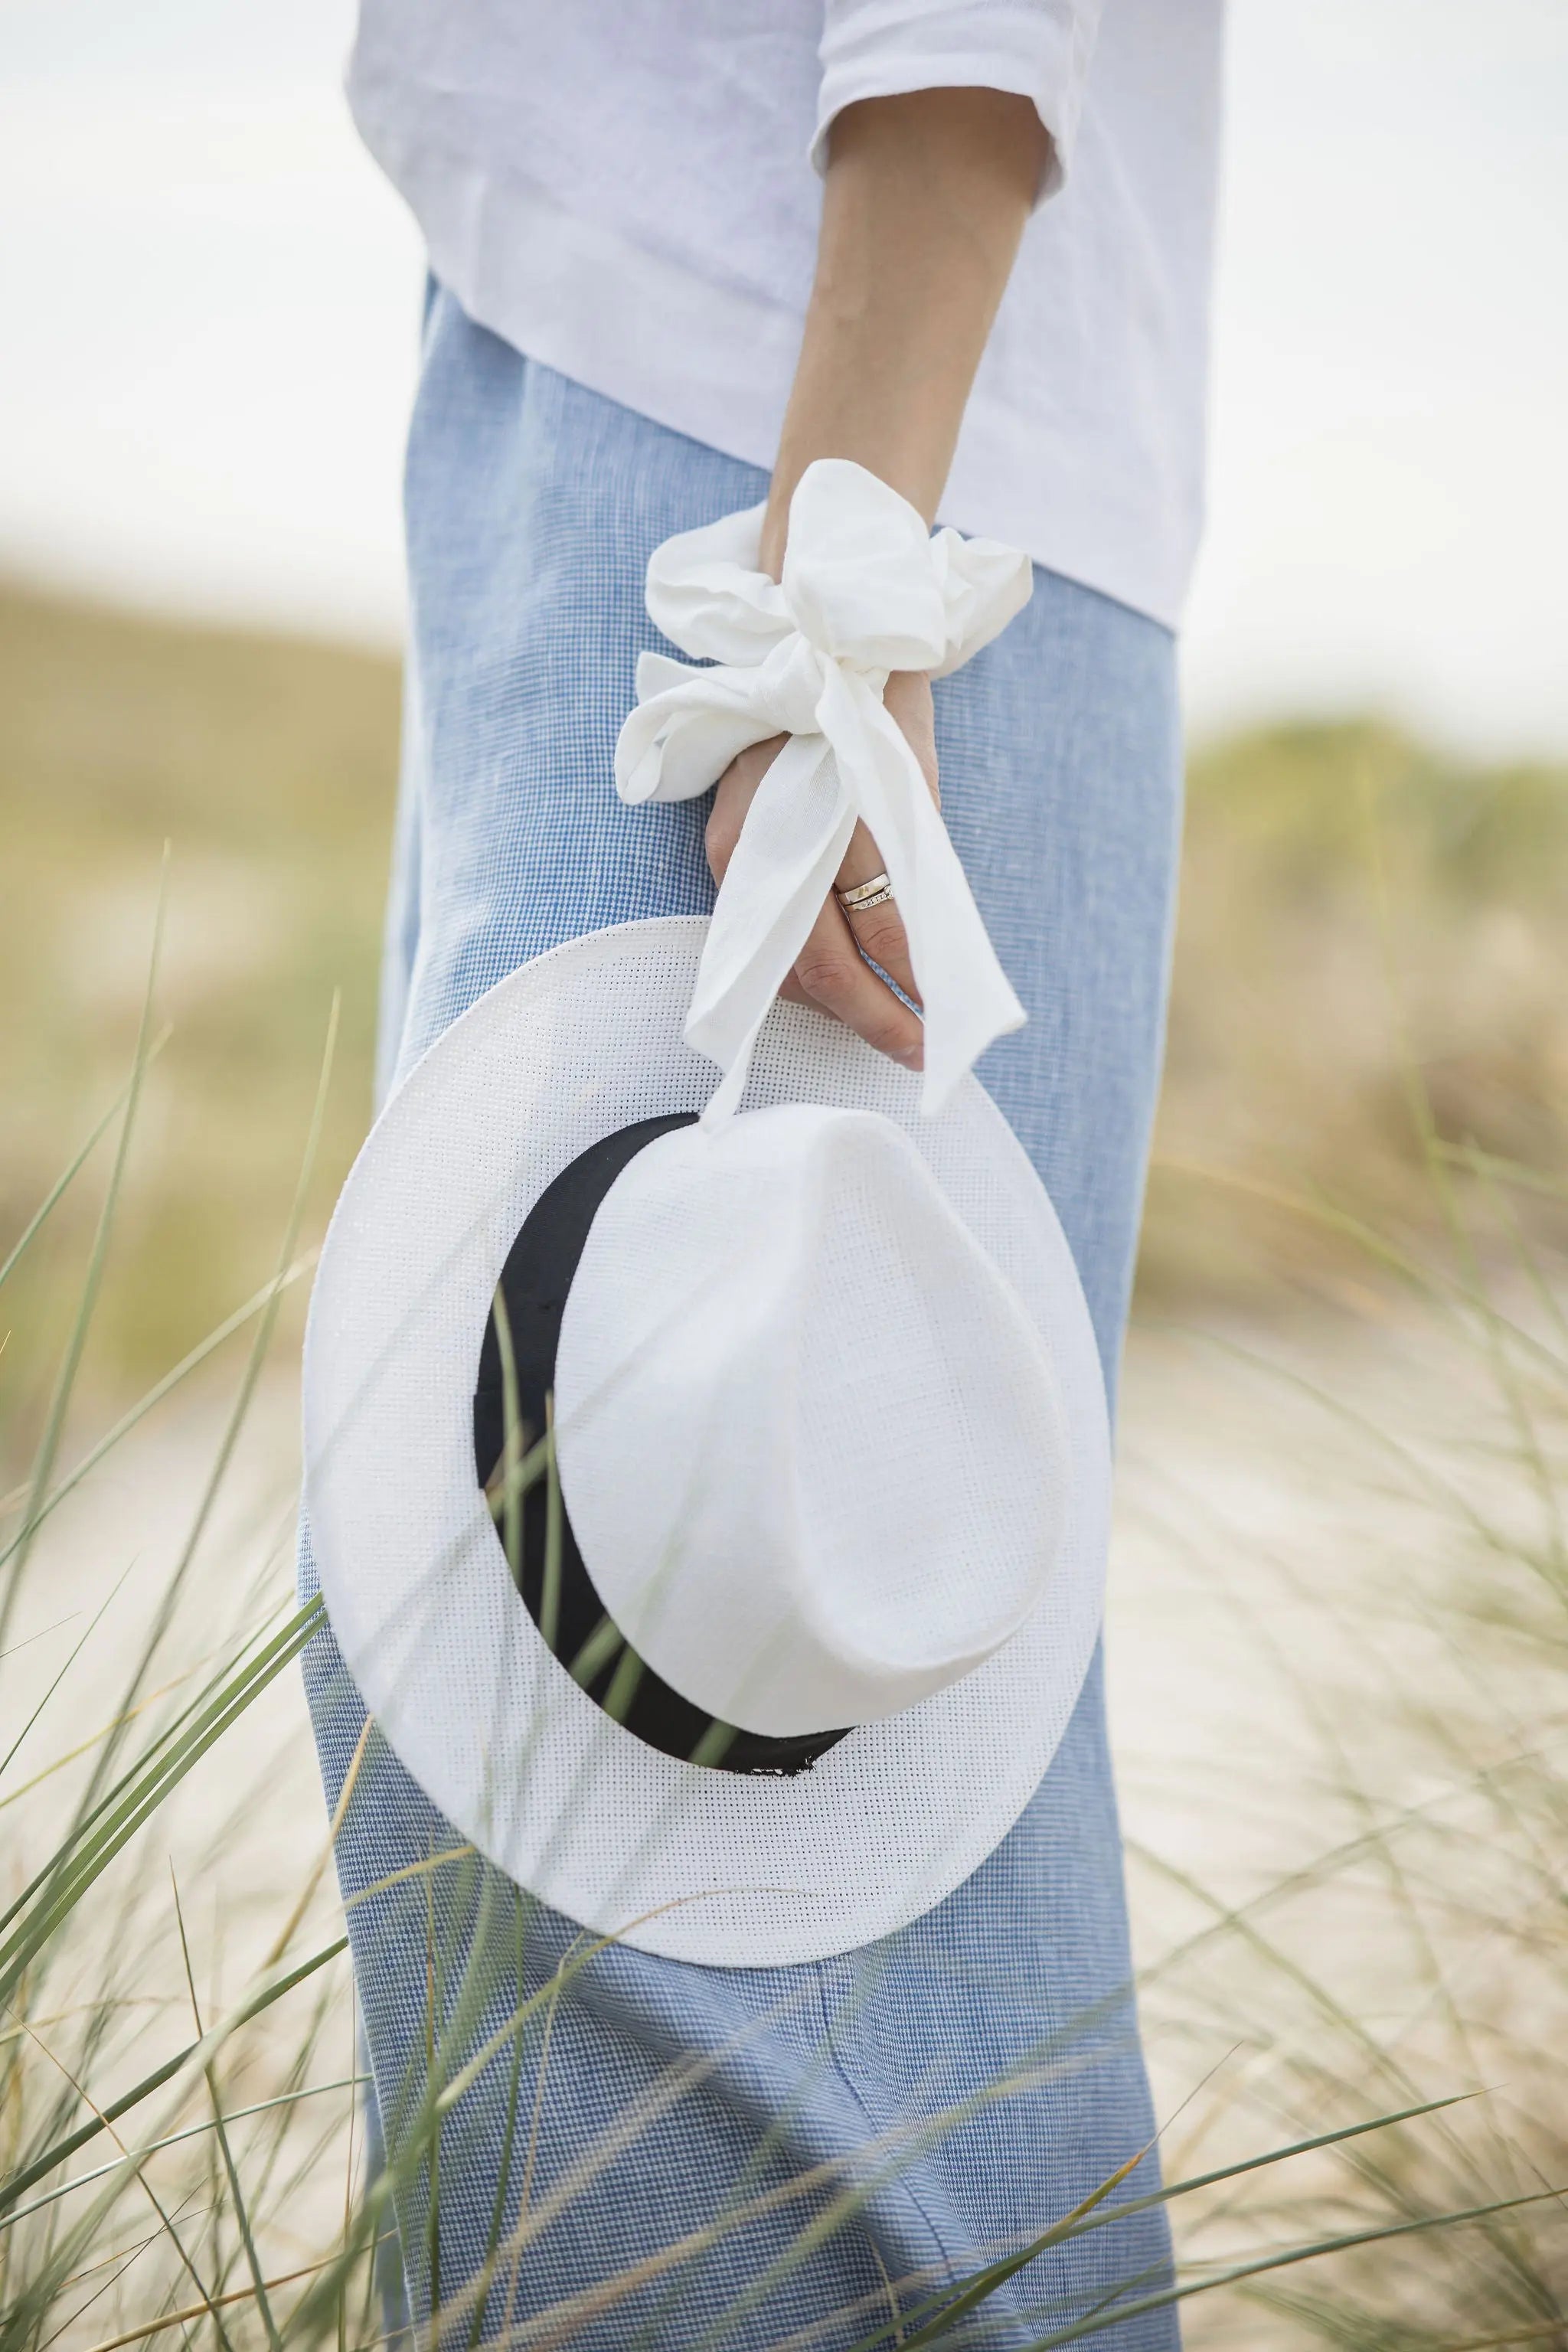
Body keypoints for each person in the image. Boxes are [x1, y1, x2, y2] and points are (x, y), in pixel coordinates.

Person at [303, 5, 1224, 2344]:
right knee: (582, 1738)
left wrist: (844, 558)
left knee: (636, 1858)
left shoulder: (822, 503)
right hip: (636, 353)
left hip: (793, 430)